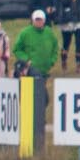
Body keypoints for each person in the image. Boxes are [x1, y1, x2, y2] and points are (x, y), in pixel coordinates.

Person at [12, 8, 60, 148]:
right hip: (31, 72)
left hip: (44, 71)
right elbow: (17, 49)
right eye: (37, 20)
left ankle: (39, 118)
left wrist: (51, 61)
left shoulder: (49, 33)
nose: (39, 22)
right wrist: (26, 60)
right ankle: (32, 119)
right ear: (33, 20)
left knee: (43, 99)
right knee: (37, 97)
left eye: (41, 20)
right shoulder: (25, 33)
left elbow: (55, 48)